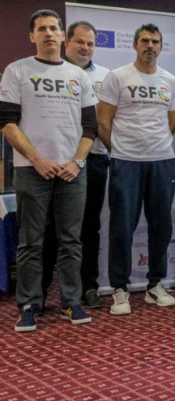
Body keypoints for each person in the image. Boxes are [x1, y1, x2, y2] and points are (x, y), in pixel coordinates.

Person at [0, 9, 98, 332]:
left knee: (71, 240)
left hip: (72, 172)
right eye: (41, 29)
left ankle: (71, 301)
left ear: (62, 36)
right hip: (32, 170)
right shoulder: (17, 71)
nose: (49, 33)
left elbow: (90, 127)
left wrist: (77, 162)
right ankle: (29, 304)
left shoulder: (78, 75)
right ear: (32, 36)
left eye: (54, 28)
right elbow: (7, 123)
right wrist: (37, 159)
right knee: (31, 241)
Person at [98, 23, 175, 315]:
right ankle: (119, 288)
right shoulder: (117, 76)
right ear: (134, 45)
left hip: (162, 161)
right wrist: (120, 151)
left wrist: (154, 146)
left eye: (155, 41)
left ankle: (155, 284)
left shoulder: (170, 80)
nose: (150, 46)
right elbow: (103, 122)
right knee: (122, 226)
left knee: (161, 225)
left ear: (161, 47)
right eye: (144, 41)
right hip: (126, 162)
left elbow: (172, 122)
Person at [40, 21, 111, 310]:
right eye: (79, 42)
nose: (85, 47)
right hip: (54, 160)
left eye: (90, 43)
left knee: (89, 227)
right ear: (66, 41)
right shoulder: (48, 71)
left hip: (93, 159)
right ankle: (40, 293)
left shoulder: (106, 76)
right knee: (49, 229)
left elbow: (107, 120)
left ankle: (88, 287)